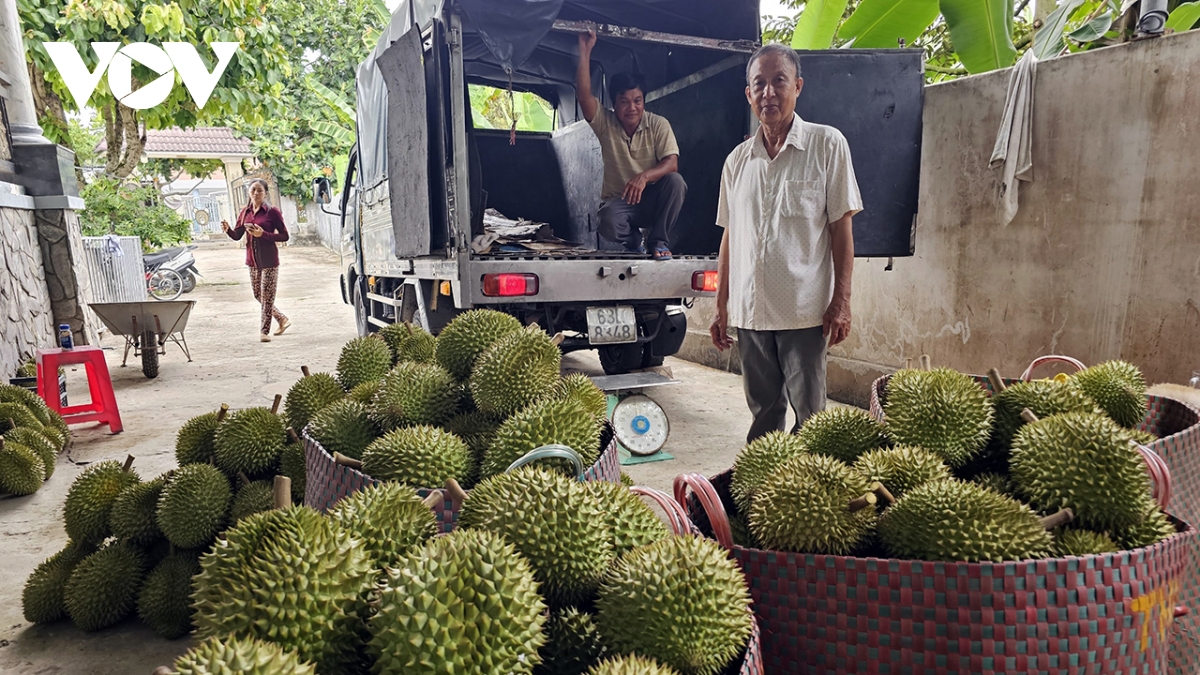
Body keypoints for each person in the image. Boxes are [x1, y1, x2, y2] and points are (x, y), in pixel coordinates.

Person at [710, 44, 862, 442]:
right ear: (748, 94)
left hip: (804, 313)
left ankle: (811, 478)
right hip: (751, 312)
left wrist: (842, 301)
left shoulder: (827, 145)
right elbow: (730, 236)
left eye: (779, 81)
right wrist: (721, 304)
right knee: (763, 415)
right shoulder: (736, 161)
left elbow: (841, 230)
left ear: (797, 86)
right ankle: (763, 478)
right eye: (759, 84)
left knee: (811, 418)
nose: (769, 93)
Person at [576, 29, 687, 260]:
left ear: (644, 101)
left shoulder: (658, 124)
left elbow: (672, 163)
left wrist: (644, 177)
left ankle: (658, 241)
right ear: (614, 104)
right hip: (621, 203)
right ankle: (635, 241)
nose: (632, 108)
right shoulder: (605, 123)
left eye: (637, 101)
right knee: (606, 220)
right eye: (624, 102)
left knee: (676, 182)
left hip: (652, 200)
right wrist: (585, 51)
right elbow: (584, 95)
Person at [221, 178, 291, 342]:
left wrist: (263, 234)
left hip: (269, 261)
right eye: (253, 190)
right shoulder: (245, 213)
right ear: (249, 192)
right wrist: (228, 230)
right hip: (252, 261)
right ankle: (282, 319)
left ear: (265, 193)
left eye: (260, 190)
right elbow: (237, 235)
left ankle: (264, 332)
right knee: (258, 294)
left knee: (267, 297)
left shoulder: (272, 212)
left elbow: (284, 236)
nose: (256, 193)